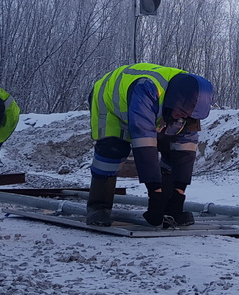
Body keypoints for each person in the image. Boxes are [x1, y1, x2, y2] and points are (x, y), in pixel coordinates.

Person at [86, 63, 213, 228]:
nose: (184, 118)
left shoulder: (190, 105)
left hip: (155, 107)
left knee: (171, 150)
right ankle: (98, 207)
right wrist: (155, 193)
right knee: (112, 151)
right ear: (174, 101)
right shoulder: (147, 88)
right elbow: (144, 143)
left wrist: (178, 194)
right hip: (109, 102)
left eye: (189, 116)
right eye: (182, 113)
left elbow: (185, 151)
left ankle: (168, 206)